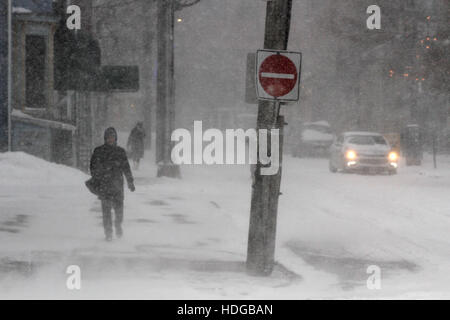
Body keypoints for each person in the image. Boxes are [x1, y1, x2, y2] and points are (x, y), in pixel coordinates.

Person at [90, 127, 135, 241]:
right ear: (105, 138)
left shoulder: (120, 152)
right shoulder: (99, 151)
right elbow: (93, 167)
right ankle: (108, 232)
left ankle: (118, 225)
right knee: (106, 211)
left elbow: (126, 168)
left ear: (115, 138)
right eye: (109, 137)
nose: (111, 139)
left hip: (117, 186)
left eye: (113, 137)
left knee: (119, 210)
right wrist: (97, 178)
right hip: (104, 186)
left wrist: (130, 182)